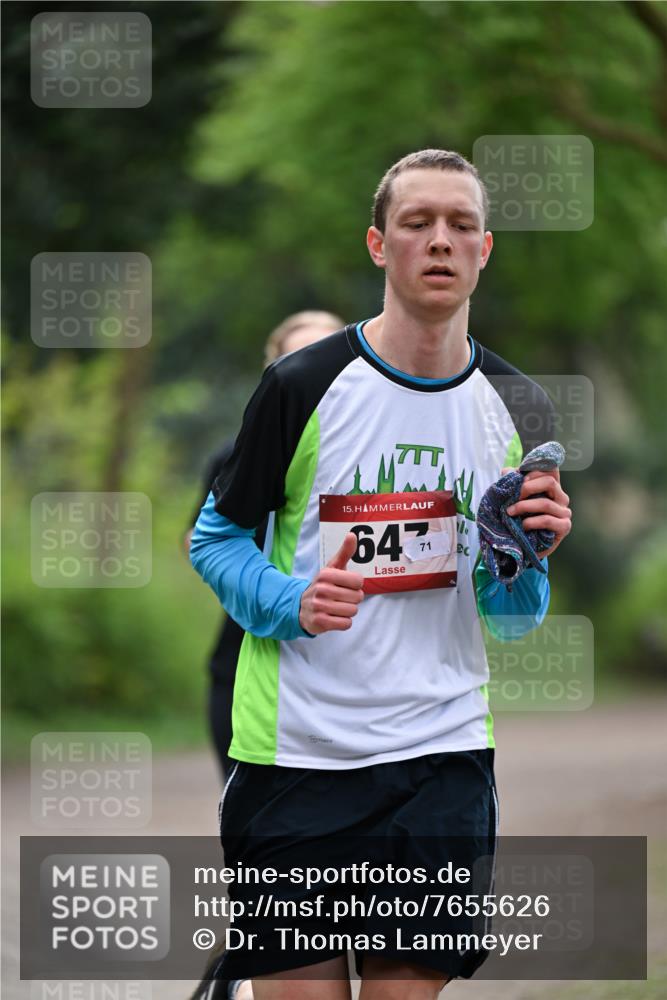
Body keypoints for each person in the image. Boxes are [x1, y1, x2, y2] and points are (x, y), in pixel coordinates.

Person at [190, 149, 572, 1000]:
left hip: (441, 757)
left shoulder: (519, 406)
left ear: (483, 249)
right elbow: (213, 540)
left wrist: (527, 559)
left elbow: (510, 616)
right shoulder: (301, 384)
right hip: (299, 757)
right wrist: (291, 600)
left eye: (460, 225)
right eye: (416, 222)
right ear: (377, 244)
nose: (439, 240)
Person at [185, 311, 345, 781]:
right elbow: (200, 539)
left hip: (345, 665)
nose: (311, 369)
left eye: (324, 355)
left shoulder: (374, 455)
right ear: (273, 372)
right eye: (296, 358)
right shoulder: (234, 454)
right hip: (244, 661)